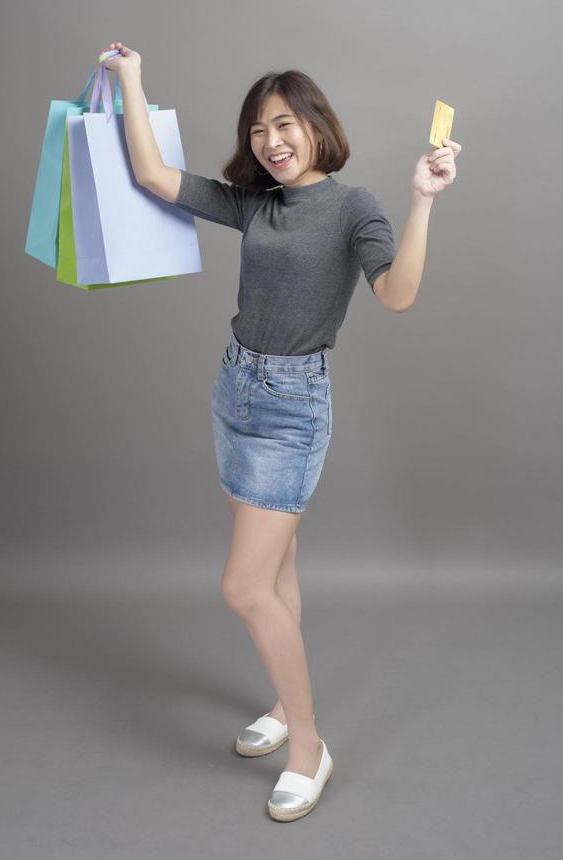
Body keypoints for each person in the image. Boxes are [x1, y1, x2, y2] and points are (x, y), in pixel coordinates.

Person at [100, 41, 462, 822]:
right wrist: (131, 79)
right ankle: (281, 700)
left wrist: (422, 200)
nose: (271, 140)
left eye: (285, 123)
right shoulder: (257, 203)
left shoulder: (355, 207)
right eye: (259, 129)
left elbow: (396, 295)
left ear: (316, 126)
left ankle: (308, 745)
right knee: (278, 571)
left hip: (293, 408)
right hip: (236, 389)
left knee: (243, 586)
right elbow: (154, 176)